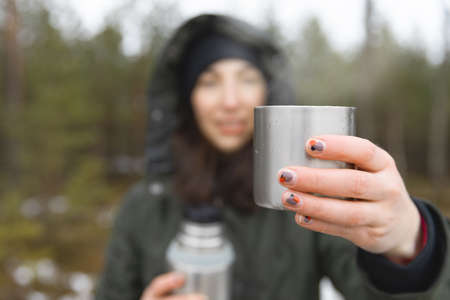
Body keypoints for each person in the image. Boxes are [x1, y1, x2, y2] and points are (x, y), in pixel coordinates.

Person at [95, 14, 450, 300]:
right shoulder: (143, 208)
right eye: (209, 81)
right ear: (187, 97)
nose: (230, 100)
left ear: (268, 90)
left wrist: (409, 248)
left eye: (247, 78)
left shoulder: (305, 198)